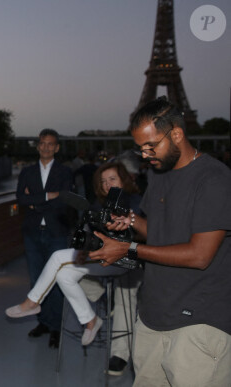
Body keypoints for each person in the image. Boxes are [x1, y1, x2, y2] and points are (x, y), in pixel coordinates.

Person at [92, 97, 231, 386]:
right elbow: (160, 230)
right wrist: (131, 222)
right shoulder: (158, 174)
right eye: (139, 148)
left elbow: (199, 255)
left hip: (200, 320)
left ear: (177, 134)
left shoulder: (214, 179)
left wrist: (129, 249)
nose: (144, 155)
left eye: (150, 146)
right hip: (153, 314)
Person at [6, 162, 142, 348]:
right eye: (103, 181)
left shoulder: (133, 200)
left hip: (123, 261)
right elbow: (91, 231)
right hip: (101, 258)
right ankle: (91, 320)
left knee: (57, 257)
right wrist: (84, 247)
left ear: (124, 180)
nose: (107, 184)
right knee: (64, 274)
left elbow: (132, 225)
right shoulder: (99, 203)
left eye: (112, 179)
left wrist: (120, 220)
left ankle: (32, 303)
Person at [16, 128, 74, 347]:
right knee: (36, 280)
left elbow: (66, 199)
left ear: (56, 148)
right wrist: (50, 196)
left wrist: (35, 201)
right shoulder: (27, 172)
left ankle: (56, 327)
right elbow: (20, 199)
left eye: (51, 144)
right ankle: (43, 322)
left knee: (57, 282)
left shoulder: (65, 172)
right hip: (32, 232)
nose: (46, 147)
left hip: (56, 232)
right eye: (43, 143)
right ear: (38, 146)